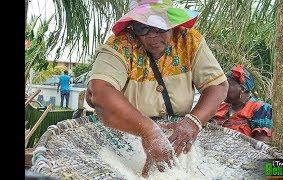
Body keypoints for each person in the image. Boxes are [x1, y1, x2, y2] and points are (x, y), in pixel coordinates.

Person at [85, 0, 228, 176]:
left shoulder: (188, 40)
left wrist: (193, 122)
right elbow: (100, 91)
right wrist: (149, 131)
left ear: (172, 24)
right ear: (132, 26)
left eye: (160, 27)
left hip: (177, 134)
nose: (152, 36)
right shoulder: (120, 44)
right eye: (142, 28)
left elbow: (218, 85)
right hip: (125, 137)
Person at [210, 64, 272, 144]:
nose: (222, 89)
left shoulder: (261, 109)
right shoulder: (219, 107)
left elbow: (261, 146)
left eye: (227, 85)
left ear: (242, 89)